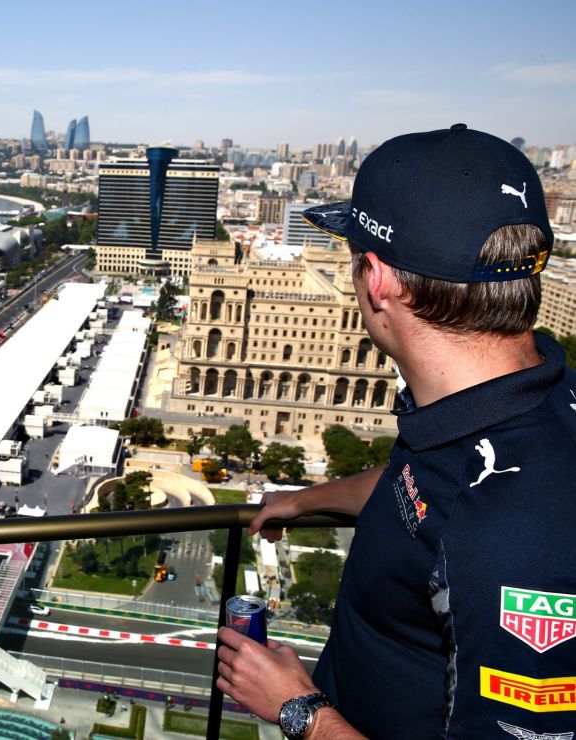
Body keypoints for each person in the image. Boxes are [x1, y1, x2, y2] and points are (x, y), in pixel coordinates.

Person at [216, 125, 575, 738]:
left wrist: (300, 712)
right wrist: (308, 500)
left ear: (376, 277)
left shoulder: (517, 542)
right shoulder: (517, 397)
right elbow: (427, 486)